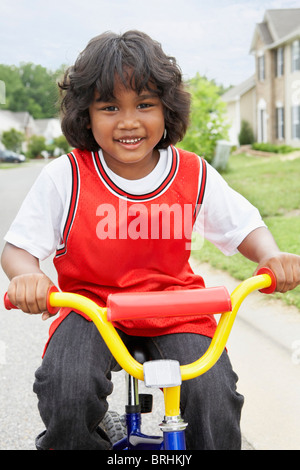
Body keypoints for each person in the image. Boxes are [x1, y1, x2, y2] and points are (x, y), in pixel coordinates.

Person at [1, 30, 300, 451]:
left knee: (212, 393)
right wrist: (28, 276)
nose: (128, 121)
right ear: (86, 115)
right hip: (91, 308)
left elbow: (243, 226)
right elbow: (18, 248)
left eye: (145, 104)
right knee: (65, 388)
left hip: (175, 306)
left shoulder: (192, 172)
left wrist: (271, 255)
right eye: (109, 107)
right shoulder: (66, 176)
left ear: (167, 110)